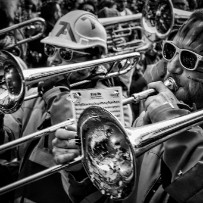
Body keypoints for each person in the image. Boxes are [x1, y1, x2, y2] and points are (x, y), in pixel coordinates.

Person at [52, 9, 203, 203]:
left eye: (188, 59)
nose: (172, 67)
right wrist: (87, 169)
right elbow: (115, 197)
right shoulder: (147, 120)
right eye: (170, 51)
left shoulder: (165, 117)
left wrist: (172, 122)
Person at [0, 9, 133, 203]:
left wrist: (60, 99)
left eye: (65, 53)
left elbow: (105, 180)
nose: (53, 60)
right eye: (50, 50)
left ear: (93, 60)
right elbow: (7, 137)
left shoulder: (116, 106)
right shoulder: (37, 94)